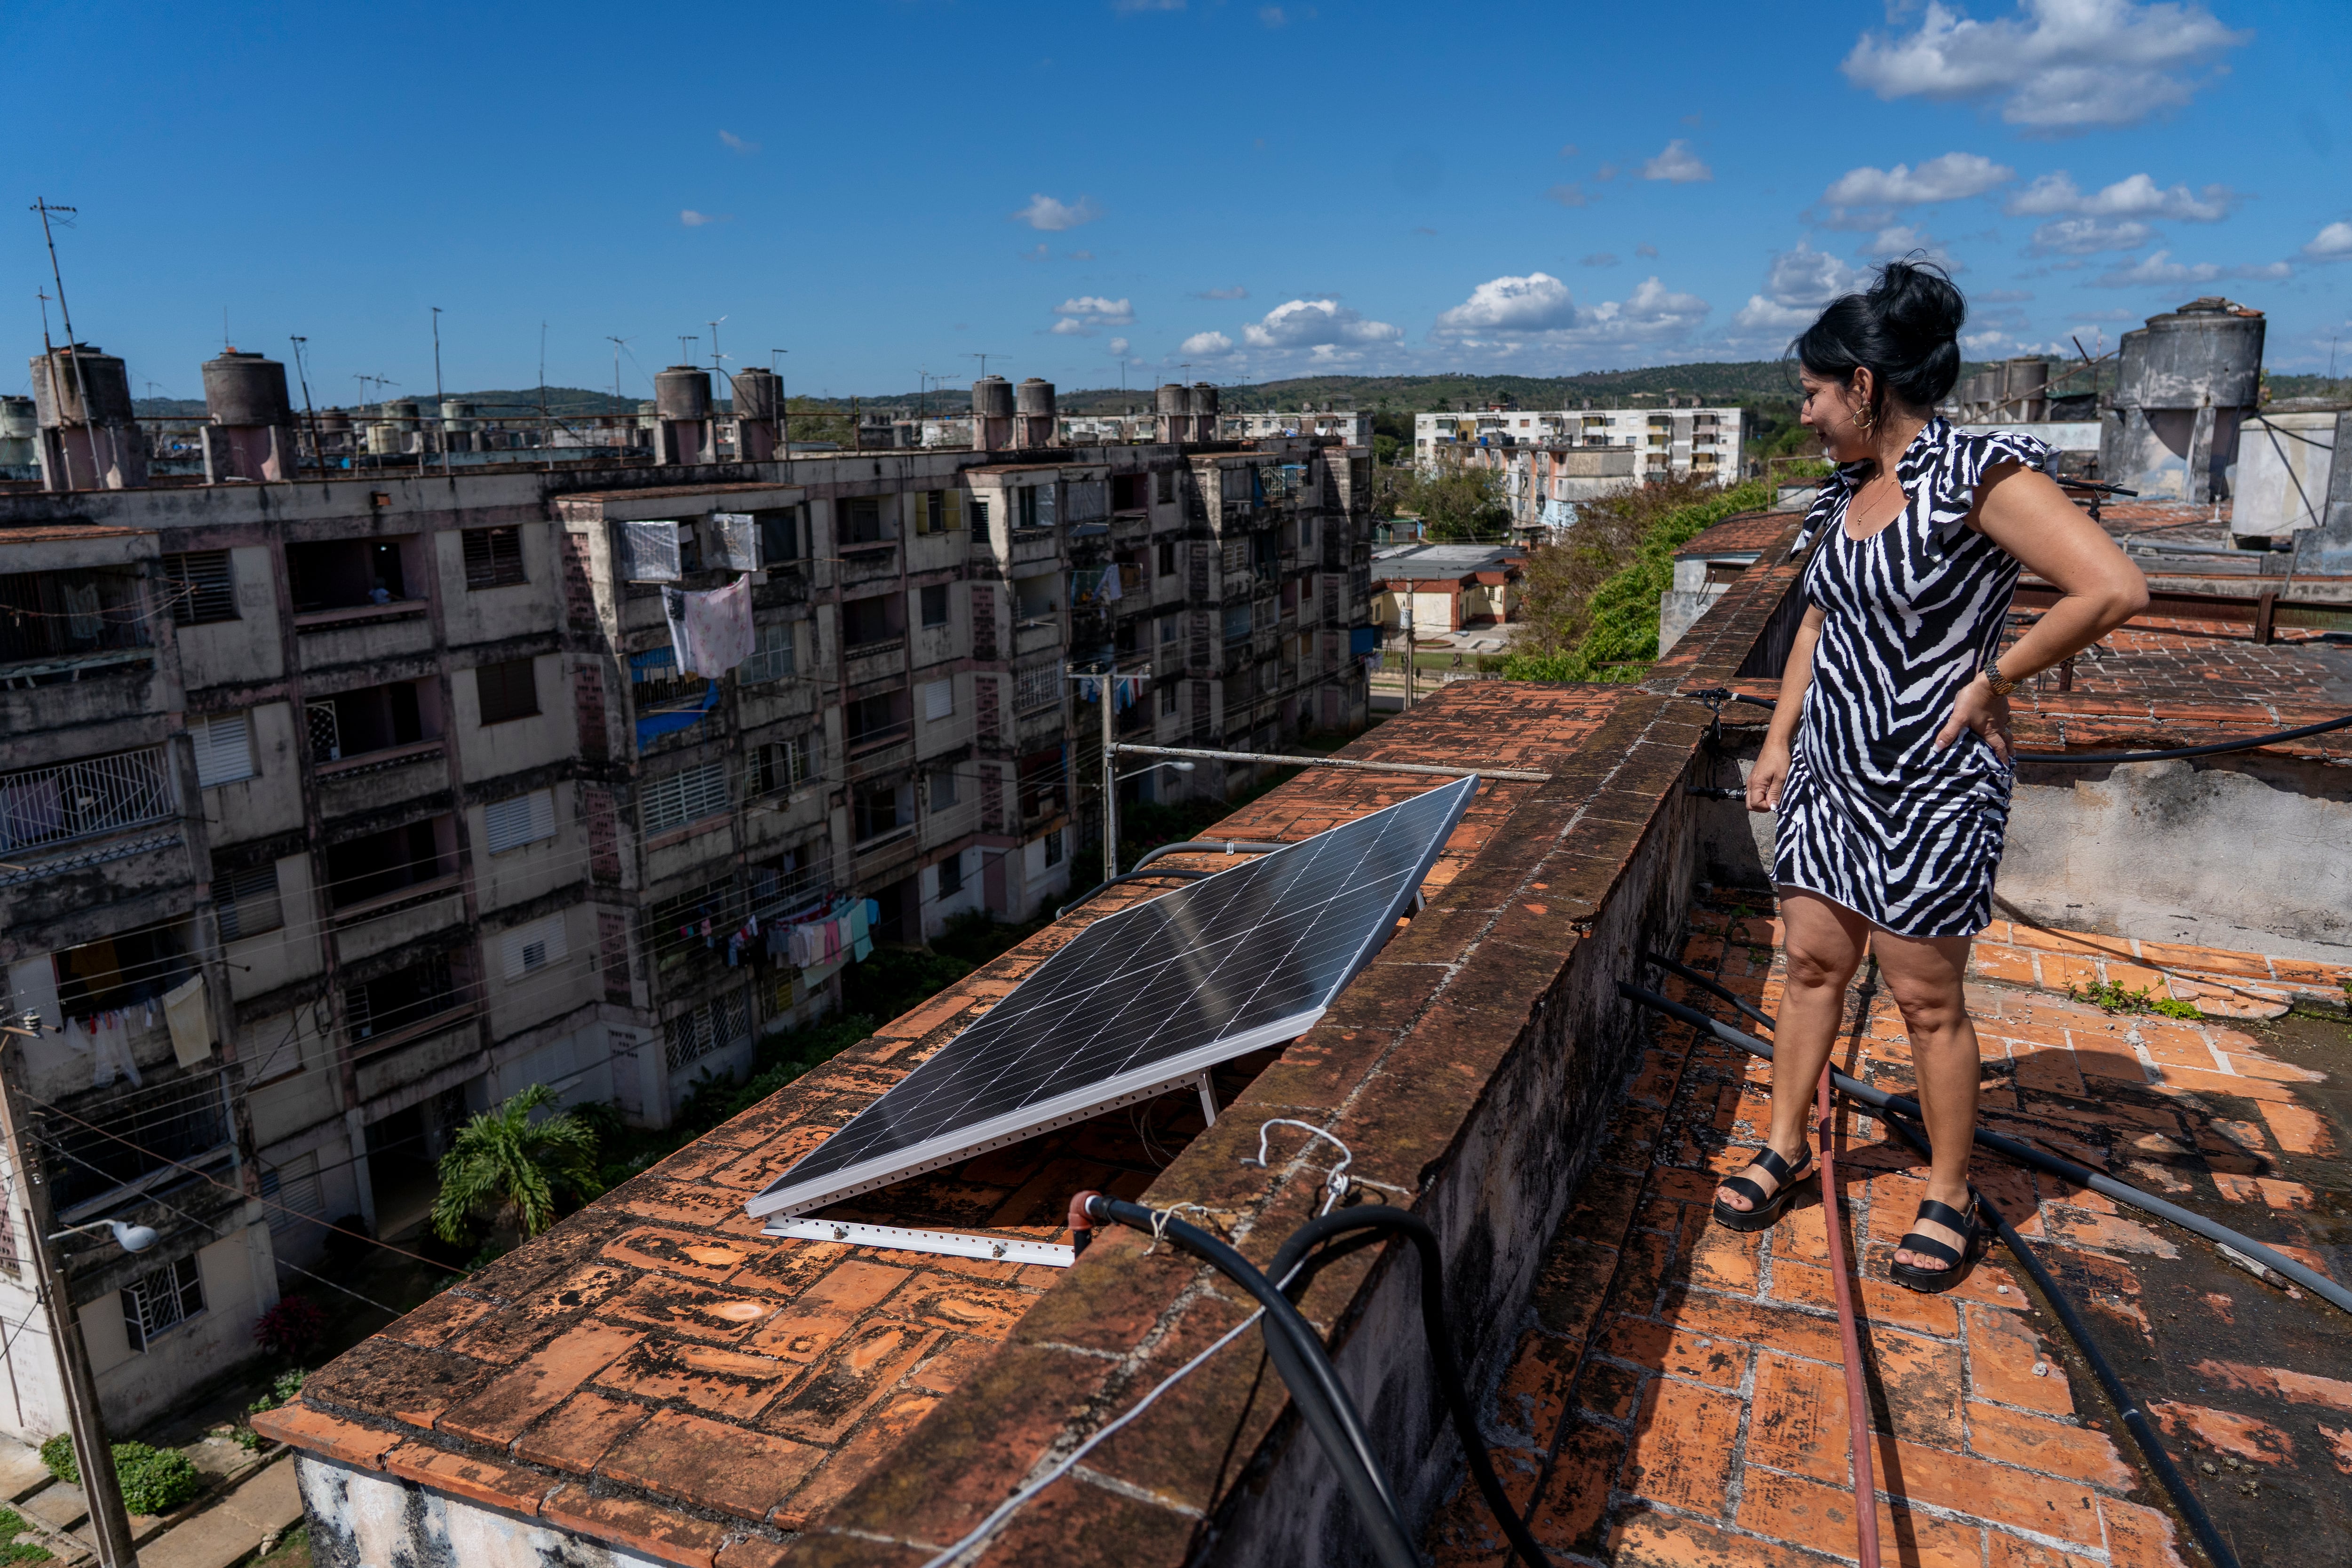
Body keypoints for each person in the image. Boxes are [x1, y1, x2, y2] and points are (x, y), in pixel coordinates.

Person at [1715, 260, 2148, 1293]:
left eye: (1815, 394)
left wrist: (1996, 677)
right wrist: (1778, 739)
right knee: (1811, 964)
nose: (1806, 415)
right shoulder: (1845, 490)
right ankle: (1783, 1142)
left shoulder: (1977, 474)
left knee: (1923, 996)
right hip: (1831, 770)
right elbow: (1817, 620)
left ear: (1864, 385)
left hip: (1932, 780)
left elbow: (2111, 586)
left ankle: (1949, 1191)